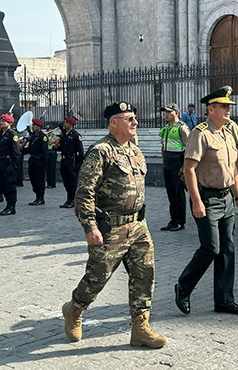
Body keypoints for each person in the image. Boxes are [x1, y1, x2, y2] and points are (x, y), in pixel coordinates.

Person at [62, 101, 167, 348]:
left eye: (134, 118)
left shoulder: (134, 149)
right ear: (114, 122)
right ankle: (74, 309)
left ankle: (140, 328)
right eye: (129, 119)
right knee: (97, 278)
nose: (135, 123)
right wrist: (90, 226)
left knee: (144, 275)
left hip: (138, 225)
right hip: (111, 228)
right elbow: (84, 192)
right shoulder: (101, 151)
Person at [174, 86, 238, 316]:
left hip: (226, 197)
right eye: (223, 107)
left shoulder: (228, 132)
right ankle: (183, 287)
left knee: (227, 249)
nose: (228, 110)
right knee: (211, 248)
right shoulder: (201, 133)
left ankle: (224, 299)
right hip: (207, 198)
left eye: (229, 106)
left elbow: (233, 169)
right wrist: (196, 201)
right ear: (211, 109)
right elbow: (189, 169)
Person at [159, 103, 190, 232]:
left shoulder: (182, 128)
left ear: (176, 113)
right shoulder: (165, 128)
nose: (166, 115)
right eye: (165, 112)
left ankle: (180, 221)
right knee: (171, 193)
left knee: (178, 193)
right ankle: (173, 220)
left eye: (169, 112)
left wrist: (184, 166)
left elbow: (189, 148)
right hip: (167, 162)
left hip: (177, 161)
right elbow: (163, 146)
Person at [0, 113, 20, 215]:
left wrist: (12, 165)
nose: (1, 123)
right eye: (1, 121)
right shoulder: (2, 135)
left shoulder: (12, 135)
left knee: (10, 186)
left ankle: (11, 206)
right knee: (2, 185)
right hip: (1, 163)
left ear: (9, 123)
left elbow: (16, 152)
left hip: (8, 163)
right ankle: (8, 205)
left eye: (3, 121)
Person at [55, 115, 84, 208]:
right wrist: (55, 147)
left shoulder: (76, 135)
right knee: (66, 181)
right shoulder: (64, 135)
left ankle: (72, 200)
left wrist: (78, 165)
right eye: (65, 122)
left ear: (71, 124)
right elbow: (62, 147)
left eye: (66, 122)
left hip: (72, 160)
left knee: (72, 182)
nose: (64, 123)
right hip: (64, 160)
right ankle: (69, 199)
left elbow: (81, 151)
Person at [22, 118, 48, 205]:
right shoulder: (33, 136)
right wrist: (22, 151)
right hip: (32, 159)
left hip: (39, 160)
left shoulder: (42, 137)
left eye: (35, 125)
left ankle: (40, 198)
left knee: (39, 180)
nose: (33, 127)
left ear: (39, 127)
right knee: (33, 179)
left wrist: (43, 163)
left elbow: (44, 152)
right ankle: (37, 196)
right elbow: (31, 148)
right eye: (32, 125)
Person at [45, 122, 58, 188]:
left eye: (49, 129)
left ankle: (52, 184)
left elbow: (50, 142)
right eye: (47, 130)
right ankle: (48, 183)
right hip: (47, 153)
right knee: (47, 169)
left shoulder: (54, 136)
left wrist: (46, 137)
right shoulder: (46, 136)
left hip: (52, 153)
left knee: (52, 169)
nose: (48, 131)